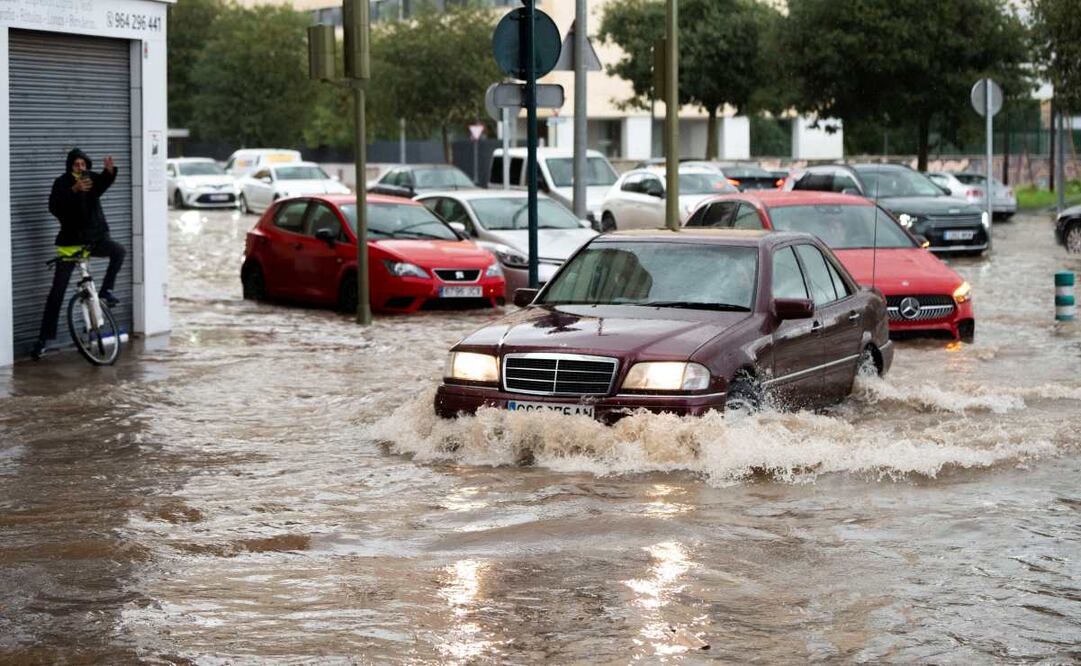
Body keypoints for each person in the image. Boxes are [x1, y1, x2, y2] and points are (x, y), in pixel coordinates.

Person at [31, 149, 124, 360]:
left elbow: (102, 185)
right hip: (70, 244)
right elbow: (54, 207)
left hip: (94, 239)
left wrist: (109, 172)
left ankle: (106, 291)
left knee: (118, 251)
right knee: (57, 292)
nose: (80, 168)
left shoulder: (90, 179)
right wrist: (73, 190)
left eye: (83, 164)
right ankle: (43, 339)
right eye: (76, 164)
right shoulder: (62, 183)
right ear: (70, 166)